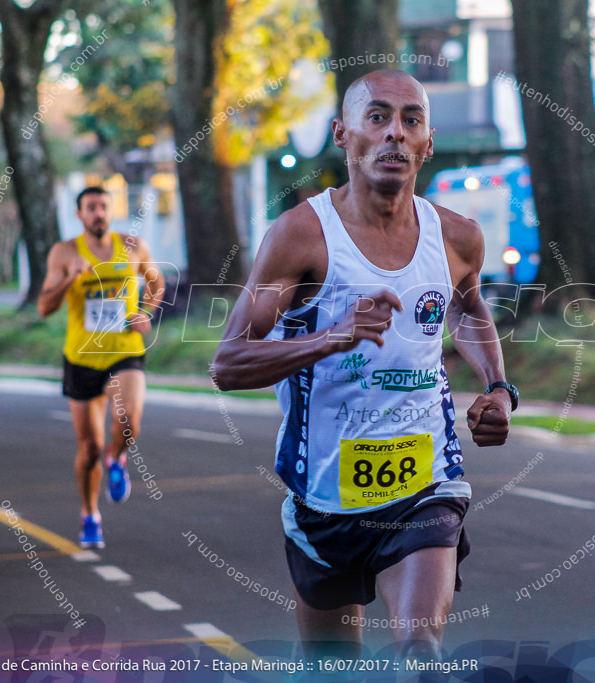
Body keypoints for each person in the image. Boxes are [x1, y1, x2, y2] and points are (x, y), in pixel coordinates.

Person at [212, 69, 517, 661]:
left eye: (411, 120)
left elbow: (469, 308)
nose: (395, 134)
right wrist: (330, 338)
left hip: (424, 483)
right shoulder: (301, 236)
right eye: (377, 118)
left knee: (419, 648)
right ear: (343, 135)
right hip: (323, 494)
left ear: (428, 142)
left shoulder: (457, 238)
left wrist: (499, 389)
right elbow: (228, 363)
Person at [38, 186, 164, 548]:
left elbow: (156, 281)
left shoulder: (132, 246)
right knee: (88, 448)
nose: (98, 213)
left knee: (129, 422)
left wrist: (146, 311)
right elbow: (44, 307)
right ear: (79, 215)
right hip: (81, 357)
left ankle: (118, 457)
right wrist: (68, 278)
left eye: (103, 207)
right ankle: (89, 513)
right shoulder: (64, 252)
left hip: (125, 349)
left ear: (111, 211)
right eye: (90, 207)